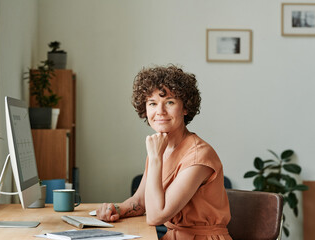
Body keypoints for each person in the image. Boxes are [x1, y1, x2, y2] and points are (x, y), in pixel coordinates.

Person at [96, 65, 232, 240]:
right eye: (152, 103)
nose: (160, 112)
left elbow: (155, 216)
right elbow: (141, 201)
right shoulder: (161, 148)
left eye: (169, 102)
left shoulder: (199, 156)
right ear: (145, 110)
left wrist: (154, 158)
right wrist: (117, 209)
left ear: (185, 108)